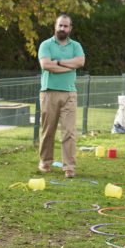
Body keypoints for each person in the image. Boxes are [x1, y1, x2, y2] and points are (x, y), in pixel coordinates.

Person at [37, 14, 85, 178]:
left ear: (70, 28)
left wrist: (58, 62)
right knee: (48, 130)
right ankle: (45, 162)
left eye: (66, 26)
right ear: (55, 27)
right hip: (49, 92)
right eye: (60, 26)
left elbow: (80, 62)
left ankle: (69, 167)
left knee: (69, 131)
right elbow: (46, 65)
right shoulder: (46, 45)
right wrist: (67, 65)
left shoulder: (76, 46)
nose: (63, 28)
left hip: (70, 93)